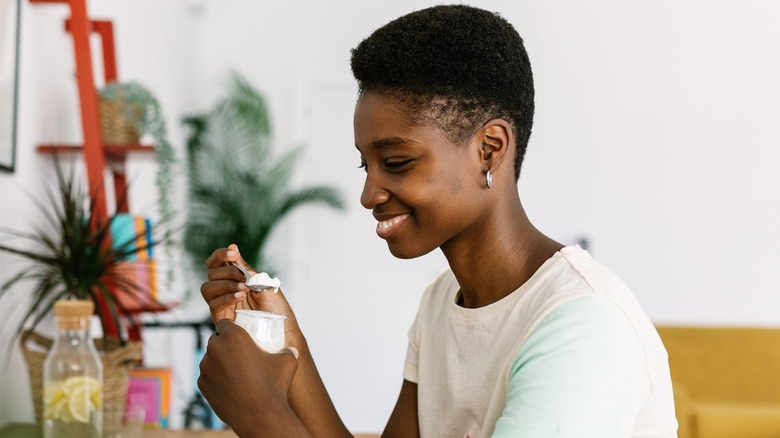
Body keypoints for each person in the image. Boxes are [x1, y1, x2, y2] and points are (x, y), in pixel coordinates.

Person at [197, 4, 678, 437]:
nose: (369, 194)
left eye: (398, 163)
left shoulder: (583, 328)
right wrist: (286, 337)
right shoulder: (443, 302)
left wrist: (260, 412)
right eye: (367, 165)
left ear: (489, 149)